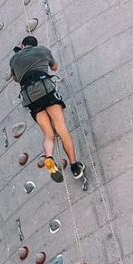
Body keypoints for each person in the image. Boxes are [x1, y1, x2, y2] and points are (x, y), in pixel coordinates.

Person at [9, 35, 84, 183]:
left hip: (29, 96)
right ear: (34, 45)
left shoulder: (14, 59)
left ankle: (49, 157)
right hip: (45, 89)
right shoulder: (42, 50)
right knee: (62, 130)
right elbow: (54, 67)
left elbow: (16, 79)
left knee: (49, 134)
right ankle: (75, 167)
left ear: (23, 45)